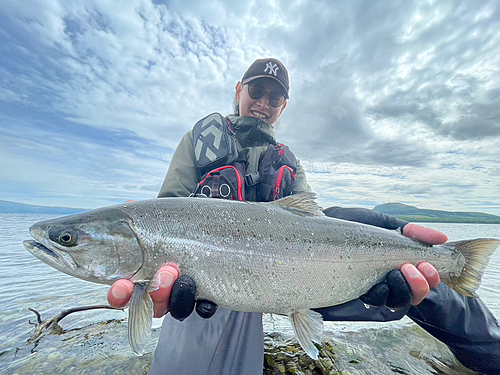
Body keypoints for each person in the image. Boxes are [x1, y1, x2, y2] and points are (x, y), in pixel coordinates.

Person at [107, 58, 500, 374]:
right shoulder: (201, 139)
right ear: (238, 91)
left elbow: (310, 214)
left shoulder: (289, 162)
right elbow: (170, 206)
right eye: (255, 91)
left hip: (280, 277)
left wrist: (384, 232)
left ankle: (484, 338)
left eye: (273, 98)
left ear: (283, 107)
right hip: (200, 281)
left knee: (405, 285)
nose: (262, 103)